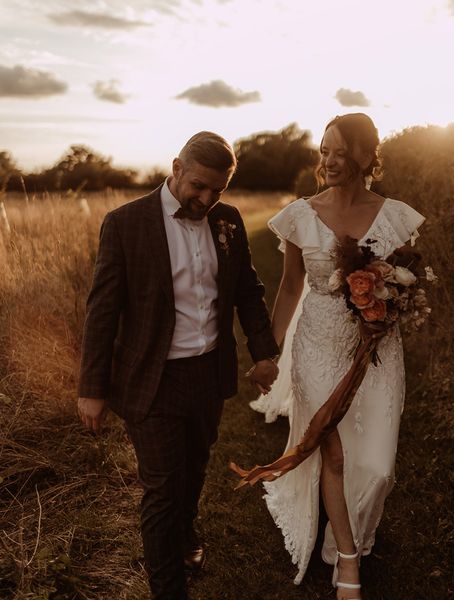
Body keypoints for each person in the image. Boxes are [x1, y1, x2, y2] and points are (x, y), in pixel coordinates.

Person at [77, 131, 280, 600]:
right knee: (163, 490)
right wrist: (92, 386)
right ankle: (169, 590)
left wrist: (264, 351)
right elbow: (102, 309)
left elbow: (247, 291)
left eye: (218, 190)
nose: (206, 199)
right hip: (152, 378)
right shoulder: (125, 223)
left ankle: (187, 534)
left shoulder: (226, 221)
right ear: (176, 168)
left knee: (195, 466)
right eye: (199, 186)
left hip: (207, 372)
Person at [251, 113, 425, 599]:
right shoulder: (300, 215)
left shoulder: (396, 217)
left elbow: (407, 279)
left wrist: (390, 307)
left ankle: (354, 530)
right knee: (335, 451)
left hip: (377, 346)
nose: (328, 160)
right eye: (324, 150)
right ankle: (345, 556)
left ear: (367, 157)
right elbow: (289, 288)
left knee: (377, 466)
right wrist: (269, 352)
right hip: (318, 344)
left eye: (340, 151)